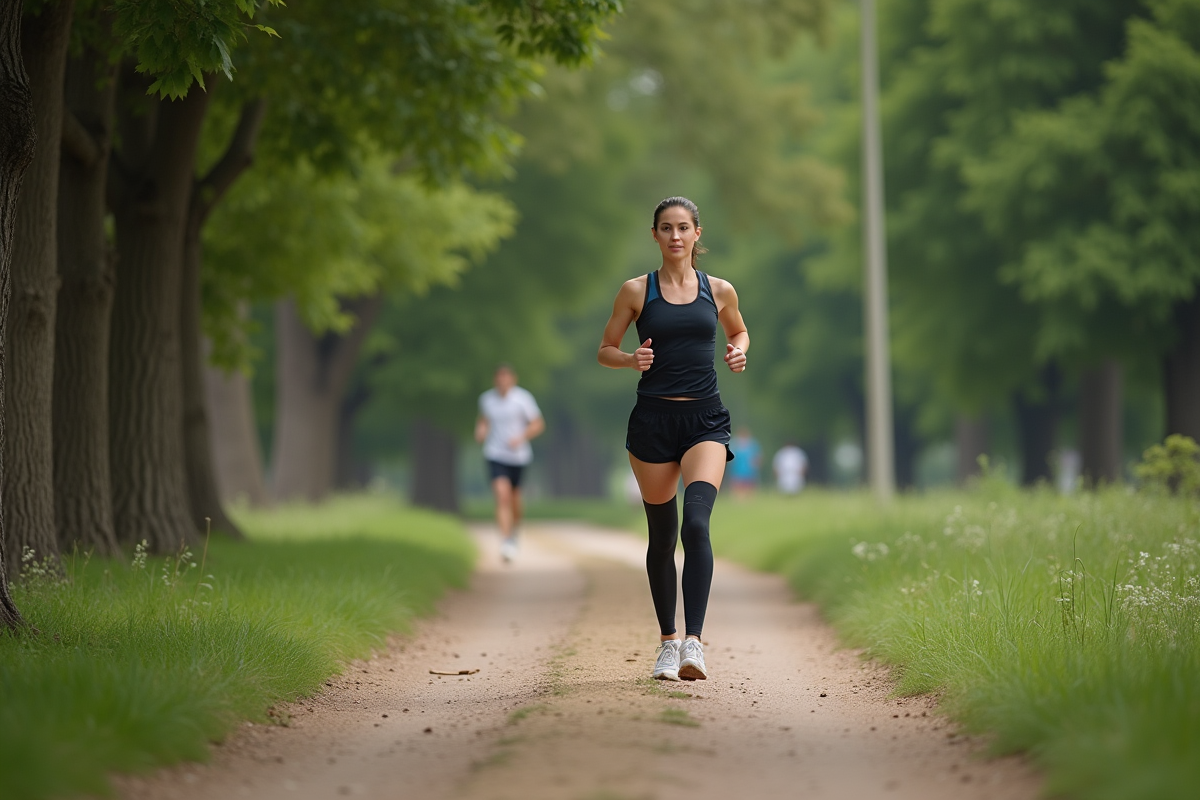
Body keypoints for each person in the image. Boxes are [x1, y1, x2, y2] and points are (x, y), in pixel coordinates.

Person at [597, 196, 748, 682]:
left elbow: (741, 332)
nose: (676, 236)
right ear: (656, 235)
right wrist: (629, 360)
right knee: (662, 536)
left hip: (705, 421)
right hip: (653, 424)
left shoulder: (719, 289)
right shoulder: (636, 291)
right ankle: (667, 642)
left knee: (697, 525)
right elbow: (605, 349)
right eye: (666, 228)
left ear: (697, 234)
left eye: (684, 227)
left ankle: (694, 644)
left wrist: (738, 351)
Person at [474, 365, 544, 563]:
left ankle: (514, 532)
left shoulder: (523, 399)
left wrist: (521, 437)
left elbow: (538, 423)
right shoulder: (486, 399)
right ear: (495, 380)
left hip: (518, 456)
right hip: (495, 453)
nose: (502, 382)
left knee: (514, 500)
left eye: (506, 378)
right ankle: (506, 541)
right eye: (499, 378)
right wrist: (480, 430)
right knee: (502, 495)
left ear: (513, 379)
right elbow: (484, 420)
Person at [728, 426, 762, 498]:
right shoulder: (734, 444)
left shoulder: (752, 444)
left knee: (749, 488)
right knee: (737, 488)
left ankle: (748, 501)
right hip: (737, 470)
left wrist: (755, 464)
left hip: (749, 470)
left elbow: (757, 457)